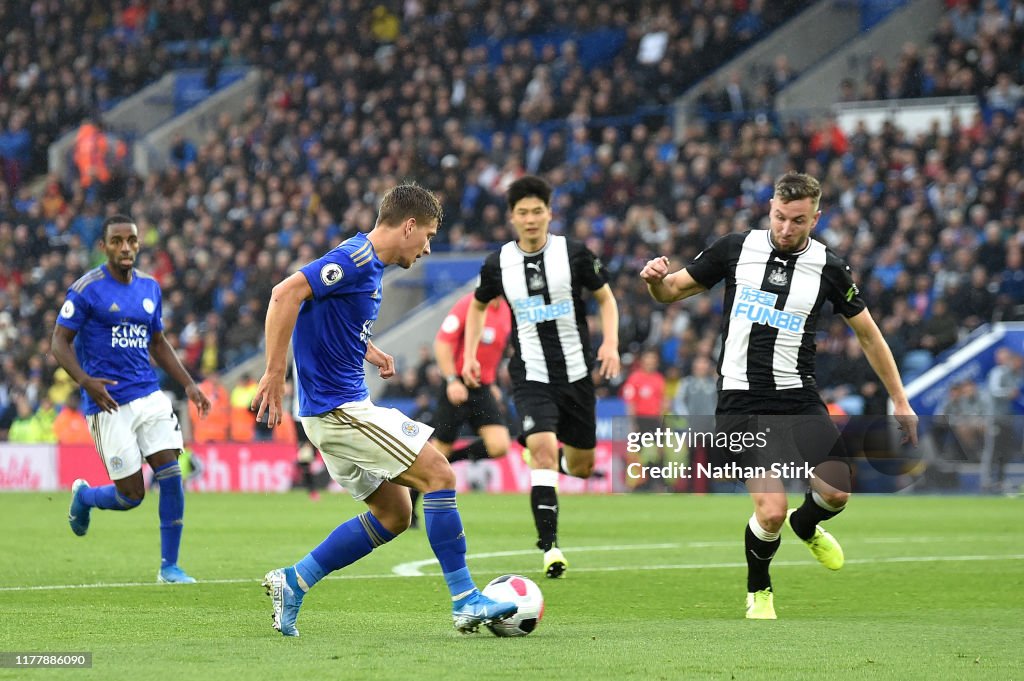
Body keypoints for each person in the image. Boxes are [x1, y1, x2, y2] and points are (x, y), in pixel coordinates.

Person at [640, 172, 919, 619]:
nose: (787, 229)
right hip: (740, 399)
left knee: (837, 493)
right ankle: (759, 590)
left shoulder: (829, 267)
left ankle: (806, 525)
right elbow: (670, 291)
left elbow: (869, 336)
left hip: (798, 395)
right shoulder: (735, 248)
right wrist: (655, 279)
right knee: (770, 511)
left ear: (816, 217)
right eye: (780, 217)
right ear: (769, 207)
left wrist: (900, 401)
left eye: (799, 221)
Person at [251, 184, 517, 637]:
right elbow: (285, 294)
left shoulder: (366, 266)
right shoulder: (354, 259)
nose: (429, 247)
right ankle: (465, 599)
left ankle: (294, 581)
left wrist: (367, 348)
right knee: (440, 475)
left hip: (332, 411)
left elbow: (325, 311)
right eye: (428, 235)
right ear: (408, 226)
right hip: (339, 409)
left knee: (395, 514)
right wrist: (275, 372)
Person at [463, 175, 621, 578]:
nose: (530, 219)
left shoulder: (575, 255)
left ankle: (548, 461)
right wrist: (470, 354)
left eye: (537, 211)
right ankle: (550, 547)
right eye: (522, 213)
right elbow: (478, 306)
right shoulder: (498, 263)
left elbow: (606, 298)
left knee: (582, 467)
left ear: (549, 213)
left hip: (577, 374)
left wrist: (611, 344)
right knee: (545, 451)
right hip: (531, 376)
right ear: (512, 218)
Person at [52, 214, 211, 584]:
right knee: (131, 495)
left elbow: (158, 342)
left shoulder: (150, 288)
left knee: (171, 475)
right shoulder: (86, 289)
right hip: (108, 402)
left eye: (132, 240)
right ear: (104, 246)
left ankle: (169, 567)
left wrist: (188, 383)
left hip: (149, 395)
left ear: (139, 244)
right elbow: (58, 342)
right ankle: (86, 498)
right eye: (118, 241)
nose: (126, 247)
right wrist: (85, 381)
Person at [409, 292, 513, 527]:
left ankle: (452, 459)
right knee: (438, 451)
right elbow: (442, 343)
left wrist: (492, 382)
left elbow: (493, 352)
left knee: (499, 446)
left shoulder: (505, 310)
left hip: (482, 387)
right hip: (456, 386)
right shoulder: (469, 304)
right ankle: (410, 502)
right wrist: (452, 380)